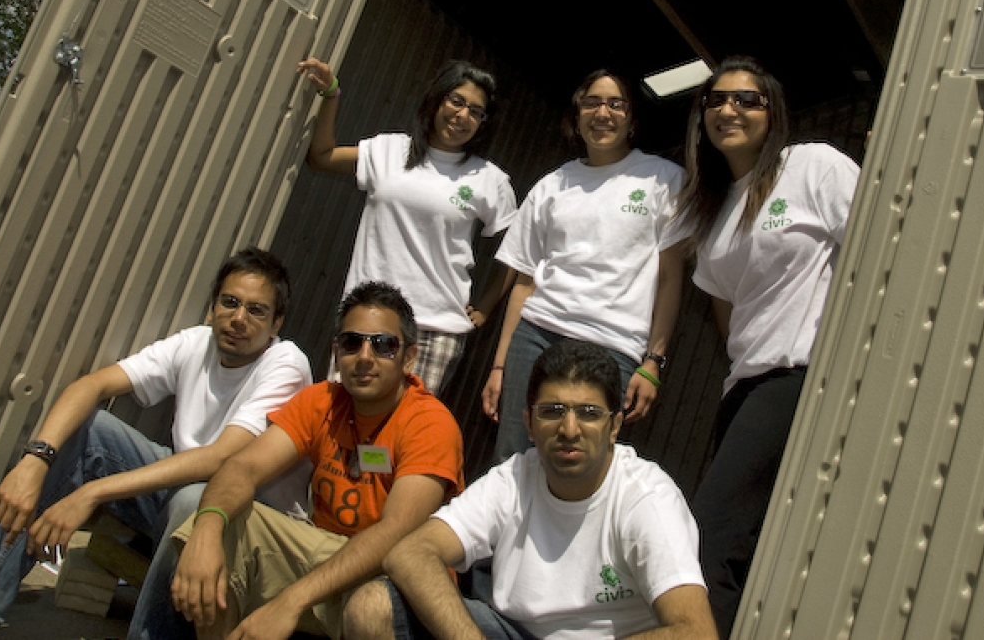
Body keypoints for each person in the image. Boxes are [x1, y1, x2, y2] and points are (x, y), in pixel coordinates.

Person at [0, 248, 313, 640]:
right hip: (182, 498)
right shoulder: (196, 343)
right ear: (212, 308)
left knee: (195, 499)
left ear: (276, 323)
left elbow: (222, 459)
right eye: (230, 302)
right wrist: (35, 460)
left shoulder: (286, 365)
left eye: (256, 310)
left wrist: (91, 492)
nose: (238, 318)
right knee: (91, 430)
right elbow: (94, 385)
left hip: (247, 522)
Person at [343, 341, 716, 640]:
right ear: (529, 423)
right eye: (553, 411)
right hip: (509, 631)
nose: (569, 429)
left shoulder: (646, 497)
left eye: (588, 413)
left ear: (614, 426)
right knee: (372, 606)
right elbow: (410, 553)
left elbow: (695, 631)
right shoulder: (514, 478)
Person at [676, 55, 860, 637]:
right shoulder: (713, 211)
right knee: (748, 549)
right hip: (744, 388)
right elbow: (727, 310)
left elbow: (874, 243)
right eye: (716, 100)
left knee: (710, 540)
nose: (729, 109)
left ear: (772, 111)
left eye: (746, 99)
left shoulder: (811, 166)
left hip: (797, 376)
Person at [170, 281, 465, 640]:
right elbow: (242, 467)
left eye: (384, 345)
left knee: (372, 605)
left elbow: (395, 533)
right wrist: (207, 530)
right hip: (324, 555)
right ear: (336, 352)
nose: (365, 357)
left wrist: (290, 602)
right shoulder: (322, 401)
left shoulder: (430, 424)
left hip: (392, 580)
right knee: (213, 517)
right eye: (352, 343)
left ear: (409, 358)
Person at [482, 69, 686, 463]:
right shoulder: (551, 186)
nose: (602, 113)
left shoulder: (664, 180)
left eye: (616, 104)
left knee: (581, 466)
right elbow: (524, 283)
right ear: (576, 116)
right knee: (512, 458)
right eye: (591, 103)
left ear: (633, 119)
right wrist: (500, 365)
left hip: (615, 348)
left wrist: (653, 363)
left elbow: (670, 278)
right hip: (537, 336)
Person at [297, 57, 518, 396]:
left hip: (434, 331)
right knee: (342, 428)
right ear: (437, 100)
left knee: (401, 441)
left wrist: (486, 306)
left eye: (476, 111)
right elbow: (322, 156)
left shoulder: (490, 180)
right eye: (456, 101)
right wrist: (331, 93)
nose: (463, 116)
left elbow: (518, 248)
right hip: (365, 319)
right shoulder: (390, 150)